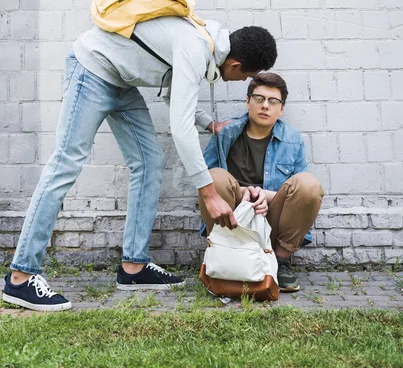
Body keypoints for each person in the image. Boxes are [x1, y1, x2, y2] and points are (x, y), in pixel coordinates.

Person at [2, 16, 277, 311]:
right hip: (92, 70)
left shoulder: (206, 45)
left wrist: (209, 124)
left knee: (149, 162)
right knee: (65, 164)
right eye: (248, 76)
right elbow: (180, 129)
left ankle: (134, 267)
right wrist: (209, 193)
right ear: (236, 66)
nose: (243, 81)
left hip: (120, 81)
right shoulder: (196, 47)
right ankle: (21, 277)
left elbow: (174, 91)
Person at [199, 72, 324, 292]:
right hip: (234, 220)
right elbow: (204, 184)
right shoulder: (225, 134)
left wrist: (265, 196)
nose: (265, 106)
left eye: (273, 101)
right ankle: (223, 255)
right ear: (248, 102)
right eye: (259, 99)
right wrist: (244, 192)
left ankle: (280, 261)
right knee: (213, 177)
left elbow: (298, 194)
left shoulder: (292, 139)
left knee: (309, 185)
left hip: (272, 222)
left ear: (281, 108)